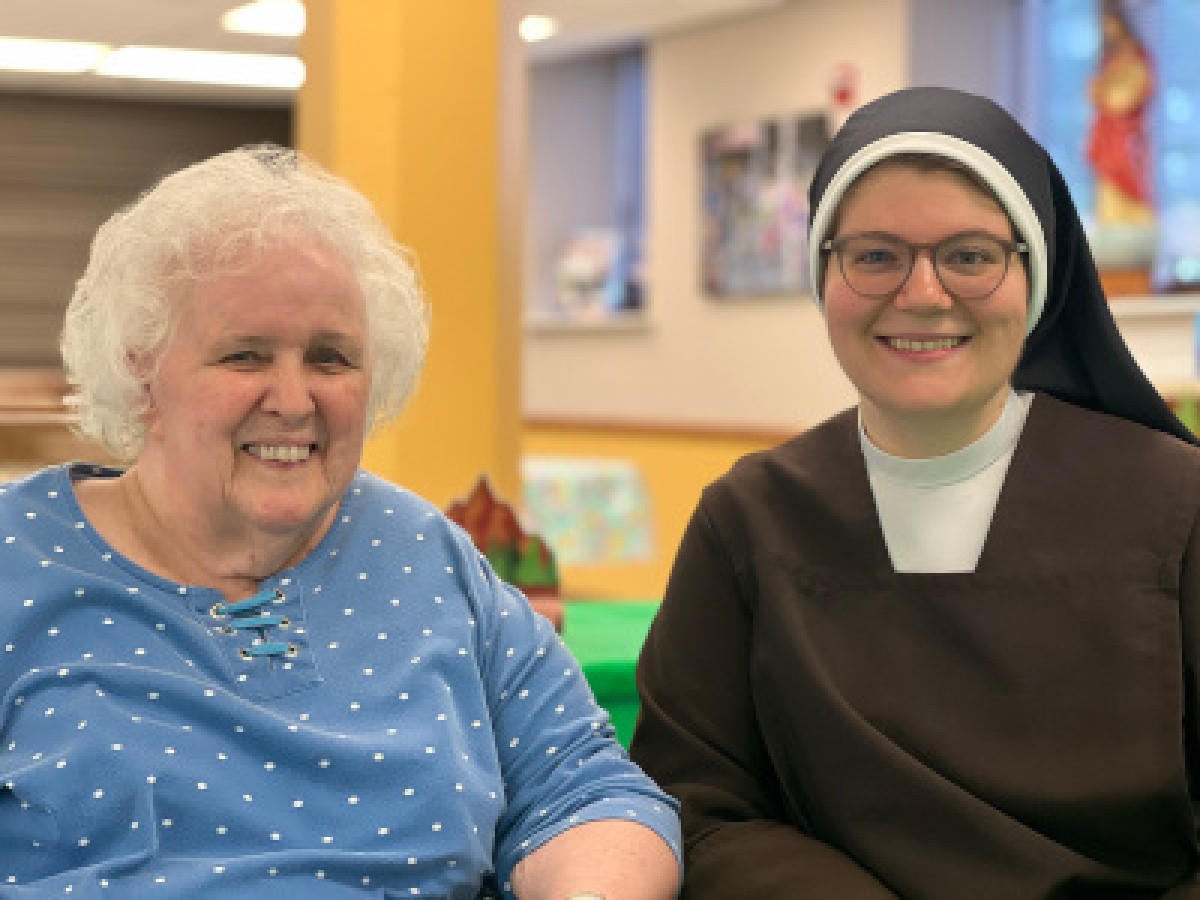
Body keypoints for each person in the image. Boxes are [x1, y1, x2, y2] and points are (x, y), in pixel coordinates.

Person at [0, 144, 681, 899]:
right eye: (244, 356)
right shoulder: (18, 563)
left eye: (330, 359)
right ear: (141, 373)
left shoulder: (425, 553)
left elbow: (584, 787)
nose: (294, 401)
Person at [630, 85, 1200, 898]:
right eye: (875, 256)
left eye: (970, 255)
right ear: (823, 275)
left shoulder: (1177, 506)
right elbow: (692, 802)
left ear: (1036, 277)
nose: (924, 294)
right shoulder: (748, 520)